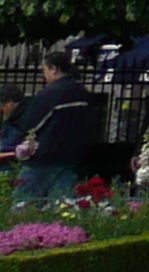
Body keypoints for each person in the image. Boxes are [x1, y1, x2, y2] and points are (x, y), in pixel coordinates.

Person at [7, 52, 101, 207]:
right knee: (64, 205)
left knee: (23, 205)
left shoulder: (50, 94)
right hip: (71, 156)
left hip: (43, 157)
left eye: (44, 70)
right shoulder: (83, 93)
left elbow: (30, 124)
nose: (44, 75)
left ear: (53, 69)